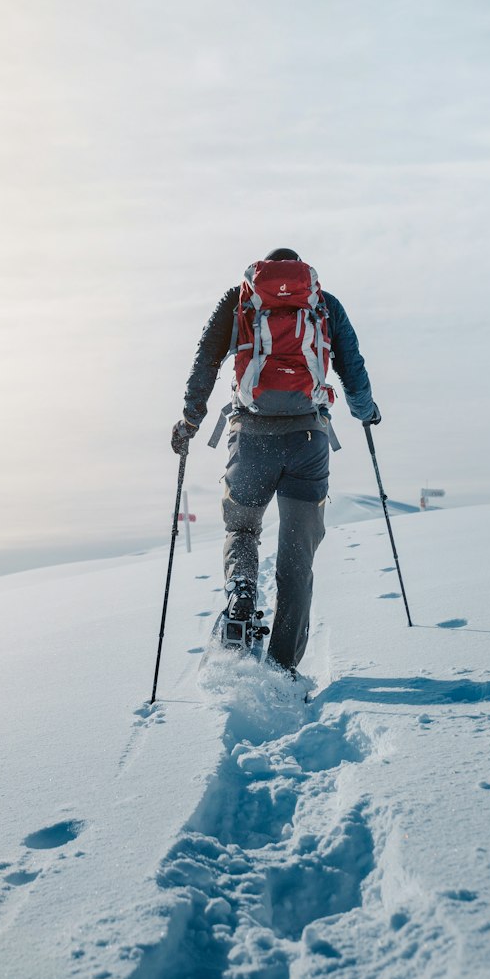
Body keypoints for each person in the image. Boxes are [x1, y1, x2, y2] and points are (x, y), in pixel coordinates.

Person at [171, 248, 379, 675]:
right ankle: (282, 669)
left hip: (251, 438)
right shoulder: (323, 304)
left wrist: (190, 419)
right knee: (297, 560)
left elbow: (205, 361)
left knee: (242, 527)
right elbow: (352, 366)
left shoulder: (241, 301)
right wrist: (366, 412)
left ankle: (242, 592)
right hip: (308, 440)